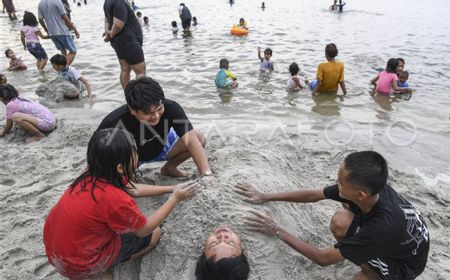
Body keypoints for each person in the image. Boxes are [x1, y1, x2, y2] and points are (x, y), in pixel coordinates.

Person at [236, 151, 430, 280]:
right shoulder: (371, 189)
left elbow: (322, 259)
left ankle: (372, 272)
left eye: (340, 181)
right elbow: (314, 195)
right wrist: (265, 196)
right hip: (398, 238)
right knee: (341, 219)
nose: (336, 182)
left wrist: (276, 230)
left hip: (404, 265)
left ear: (360, 194)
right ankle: (359, 255)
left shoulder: (380, 228)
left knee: (361, 277)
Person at [43, 128, 199, 279]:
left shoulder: (93, 172)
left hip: (55, 254)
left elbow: (134, 188)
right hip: (81, 265)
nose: (137, 155)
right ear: (120, 167)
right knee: (155, 234)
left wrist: (171, 189)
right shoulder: (114, 198)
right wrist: (175, 199)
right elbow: (144, 230)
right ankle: (102, 268)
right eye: (135, 153)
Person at [97, 77, 212, 178]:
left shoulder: (172, 108)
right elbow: (96, 155)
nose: (156, 116)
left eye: (159, 109)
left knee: (199, 138)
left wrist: (207, 175)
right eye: (148, 113)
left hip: (161, 149)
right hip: (132, 159)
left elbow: (192, 142)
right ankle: (130, 175)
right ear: (132, 110)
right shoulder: (113, 122)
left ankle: (169, 169)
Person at [103, 0, 145, 90]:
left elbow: (107, 19)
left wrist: (108, 32)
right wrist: (111, 33)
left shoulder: (107, 1)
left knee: (125, 69)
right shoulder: (119, 2)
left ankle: (128, 97)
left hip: (119, 42)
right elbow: (118, 24)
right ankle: (141, 99)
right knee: (140, 72)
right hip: (129, 42)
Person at [38, 0, 80, 65]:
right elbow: (65, 18)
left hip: (52, 33)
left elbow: (40, 19)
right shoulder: (57, 1)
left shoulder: (40, 3)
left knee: (63, 52)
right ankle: (62, 69)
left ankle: (62, 71)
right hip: (62, 31)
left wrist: (46, 30)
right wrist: (75, 30)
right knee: (73, 51)